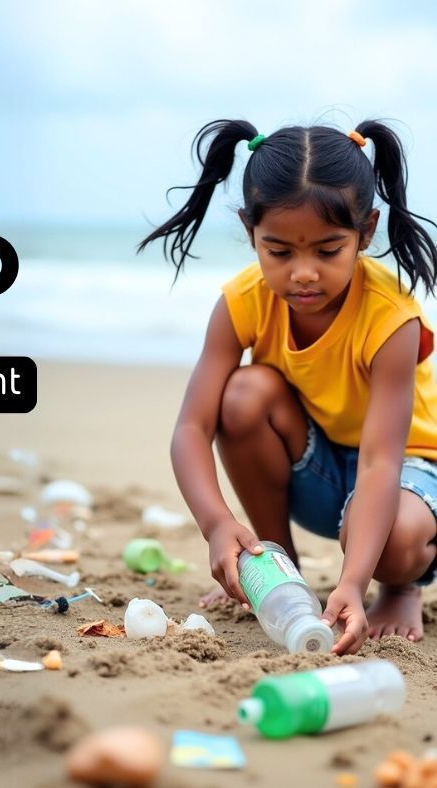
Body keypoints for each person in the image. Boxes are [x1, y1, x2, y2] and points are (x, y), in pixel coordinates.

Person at [137, 119, 437, 655]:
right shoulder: (242, 302)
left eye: (328, 251)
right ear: (250, 230)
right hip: (318, 466)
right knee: (241, 394)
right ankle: (280, 569)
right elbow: (192, 426)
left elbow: (380, 464)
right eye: (280, 252)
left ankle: (400, 586)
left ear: (365, 233)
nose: (303, 273)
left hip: (408, 469)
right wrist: (217, 524)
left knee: (394, 542)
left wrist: (353, 583)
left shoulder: (392, 319)